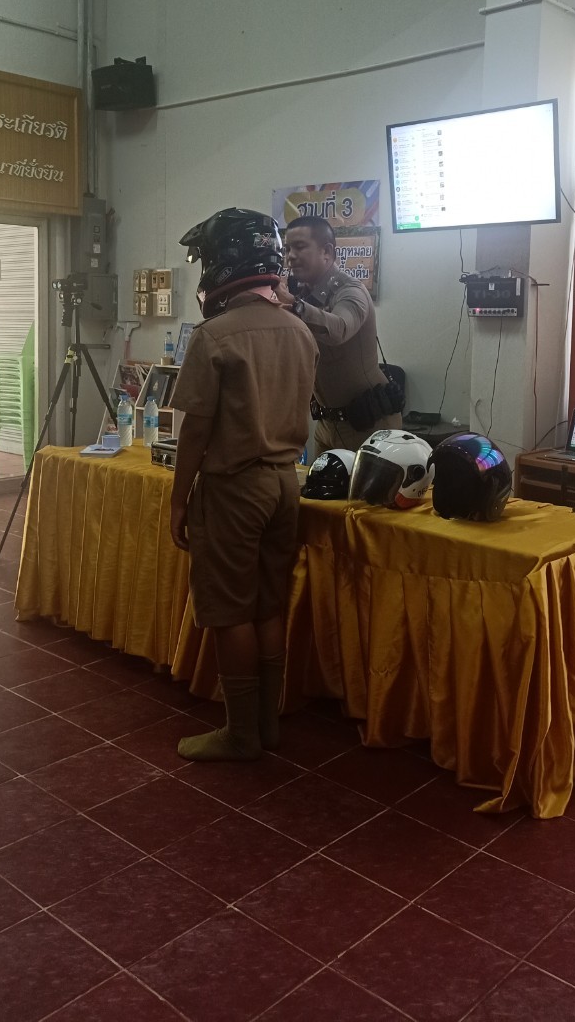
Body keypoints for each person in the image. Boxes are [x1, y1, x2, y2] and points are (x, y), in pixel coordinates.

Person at [168, 208, 317, 762]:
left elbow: (195, 431)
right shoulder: (300, 330)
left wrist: (179, 500)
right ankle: (267, 725)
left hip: (234, 489)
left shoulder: (214, 335)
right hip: (285, 485)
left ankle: (240, 734)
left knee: (231, 612)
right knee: (268, 606)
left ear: (222, 264)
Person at [275, 216, 403, 456]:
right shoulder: (303, 295)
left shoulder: (351, 291)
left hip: (368, 425)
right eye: (287, 249)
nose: (290, 256)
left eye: (300, 247)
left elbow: (340, 329)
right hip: (327, 424)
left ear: (327, 252)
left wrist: (295, 306)